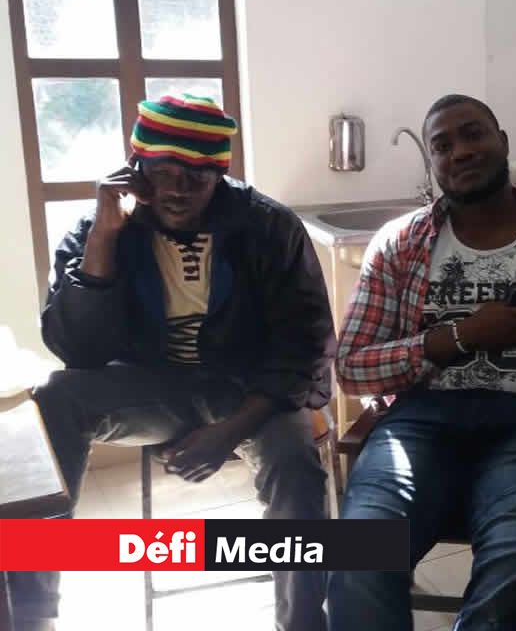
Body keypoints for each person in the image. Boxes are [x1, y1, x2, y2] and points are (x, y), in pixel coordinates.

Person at [14, 95, 336, 631]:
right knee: (53, 401)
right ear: (136, 170)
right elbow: (78, 351)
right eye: (163, 173)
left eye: (196, 177)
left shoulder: (267, 227)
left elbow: (304, 345)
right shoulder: (103, 227)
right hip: (153, 387)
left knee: (295, 466)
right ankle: (30, 615)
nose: (178, 190)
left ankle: (302, 622)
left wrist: (229, 432)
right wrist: (104, 238)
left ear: (220, 177)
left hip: (252, 391)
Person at [326, 94, 516, 631]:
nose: (461, 151)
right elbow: (352, 366)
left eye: (473, 134)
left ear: (503, 143)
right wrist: (457, 338)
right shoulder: (399, 245)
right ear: (432, 162)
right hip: (419, 423)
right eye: (443, 145)